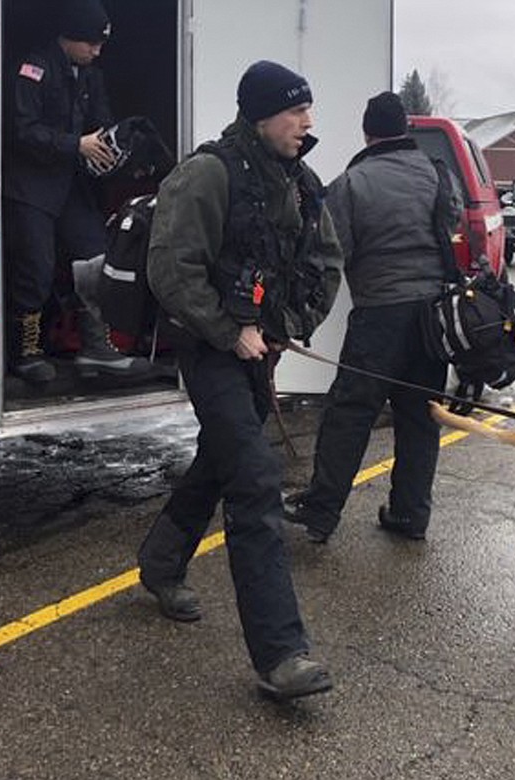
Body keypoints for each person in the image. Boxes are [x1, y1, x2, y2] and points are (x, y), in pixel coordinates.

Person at [136, 60, 343, 700]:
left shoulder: (302, 183)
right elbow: (171, 270)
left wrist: (285, 323)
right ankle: (281, 655)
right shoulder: (207, 174)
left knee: (223, 461)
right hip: (210, 348)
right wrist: (230, 331)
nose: (307, 124)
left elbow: (325, 263)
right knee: (254, 478)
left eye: (308, 111)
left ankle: (162, 561)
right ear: (260, 115)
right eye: (294, 112)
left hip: (258, 348)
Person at [285, 91, 459, 544]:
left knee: (350, 413)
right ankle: (410, 515)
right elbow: (451, 221)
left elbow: (333, 249)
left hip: (380, 314)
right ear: (405, 129)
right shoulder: (435, 174)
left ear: (367, 132)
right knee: (420, 417)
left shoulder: (352, 183)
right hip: (432, 319)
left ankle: (321, 514)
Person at [5, 0, 149, 384]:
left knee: (95, 260)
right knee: (34, 269)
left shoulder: (91, 75)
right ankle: (24, 352)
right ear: (68, 36)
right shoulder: (34, 68)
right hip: (30, 188)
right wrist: (75, 144)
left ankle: (95, 348)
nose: (97, 52)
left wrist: (117, 145)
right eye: (91, 44)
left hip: (73, 186)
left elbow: (100, 121)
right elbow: (21, 130)